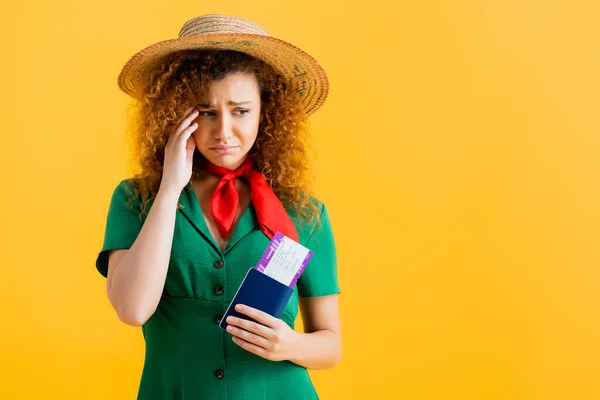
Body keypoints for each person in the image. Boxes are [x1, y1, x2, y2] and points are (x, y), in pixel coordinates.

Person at [95, 14, 341, 400]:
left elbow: (331, 345)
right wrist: (171, 187)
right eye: (206, 112)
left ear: (266, 112)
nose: (224, 131)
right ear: (177, 114)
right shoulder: (136, 199)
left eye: (241, 111)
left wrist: (289, 344)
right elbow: (132, 309)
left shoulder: (303, 212)